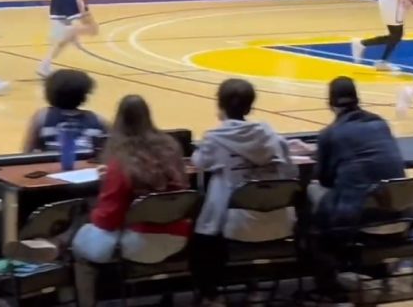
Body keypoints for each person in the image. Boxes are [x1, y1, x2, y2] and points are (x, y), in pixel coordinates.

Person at [70, 94, 190, 307]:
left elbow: (108, 219)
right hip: (178, 238)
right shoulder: (171, 148)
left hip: (139, 243)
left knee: (80, 247)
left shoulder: (120, 161)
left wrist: (92, 210)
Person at [190, 79, 298, 306]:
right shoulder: (272, 136)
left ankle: (213, 295)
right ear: (250, 107)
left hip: (236, 228)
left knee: (202, 236)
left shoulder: (215, 139)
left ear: (220, 105)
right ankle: (254, 286)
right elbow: (292, 171)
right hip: (280, 222)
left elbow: (198, 161)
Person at [308, 77, 406, 301]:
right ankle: (372, 264)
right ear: (357, 99)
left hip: (360, 218)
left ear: (330, 103)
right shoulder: (381, 124)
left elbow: (323, 179)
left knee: (312, 195)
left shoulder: (329, 134)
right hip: (397, 215)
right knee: (365, 191)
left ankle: (327, 280)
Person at [21, 69, 108, 153]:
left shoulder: (42, 116)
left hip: (50, 166)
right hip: (85, 166)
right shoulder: (99, 120)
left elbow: (27, 150)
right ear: (84, 95)